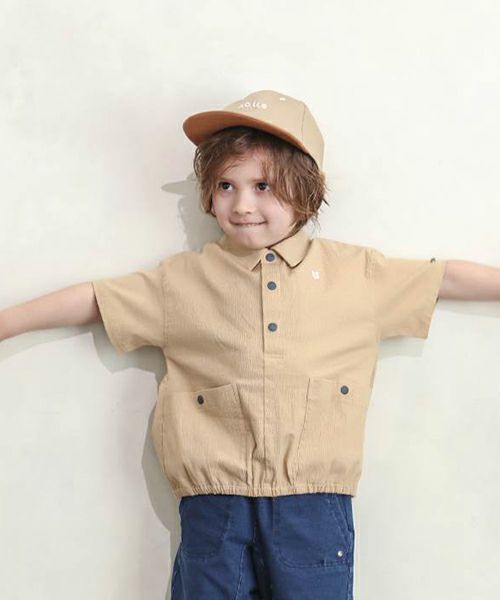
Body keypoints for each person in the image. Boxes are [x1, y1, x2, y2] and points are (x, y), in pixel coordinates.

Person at [1, 89, 498, 599]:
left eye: (263, 186)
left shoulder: (356, 274)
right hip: (213, 505)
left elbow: (444, 278)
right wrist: (8, 322)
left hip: (314, 503)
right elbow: (95, 299)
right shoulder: (183, 281)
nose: (242, 205)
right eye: (226, 185)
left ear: (306, 189)